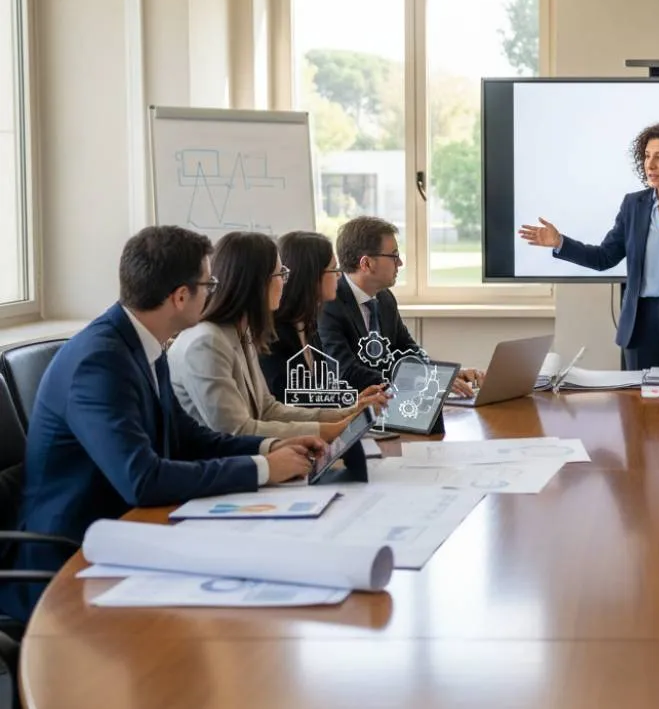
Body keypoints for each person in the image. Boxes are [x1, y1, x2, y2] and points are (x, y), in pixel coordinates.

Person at [0, 227, 326, 621]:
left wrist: (266, 448)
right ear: (180, 297)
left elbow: (187, 436)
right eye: (208, 284)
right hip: (69, 559)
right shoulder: (100, 361)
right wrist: (262, 469)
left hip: (126, 535)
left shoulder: (144, 343)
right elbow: (141, 479)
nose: (213, 293)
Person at [519, 121, 659, 369]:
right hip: (642, 322)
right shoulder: (633, 205)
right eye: (647, 156)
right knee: (639, 394)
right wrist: (560, 242)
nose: (650, 165)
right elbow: (604, 257)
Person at [169, 231, 386, 441]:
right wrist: (332, 430)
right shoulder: (206, 343)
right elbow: (237, 431)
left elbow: (268, 409)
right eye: (280, 274)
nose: (284, 282)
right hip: (223, 462)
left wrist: (347, 412)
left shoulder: (241, 332)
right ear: (256, 282)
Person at [317, 216, 482, 395]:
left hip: (387, 401)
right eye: (394, 256)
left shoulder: (385, 298)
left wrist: (445, 374)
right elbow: (347, 373)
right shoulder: (329, 303)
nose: (400, 263)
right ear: (366, 263)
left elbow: (408, 351)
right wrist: (426, 380)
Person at [259, 231, 346, 403]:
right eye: (333, 268)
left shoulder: (308, 324)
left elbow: (320, 393)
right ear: (311, 276)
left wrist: (357, 401)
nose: (339, 275)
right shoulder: (271, 336)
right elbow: (289, 401)